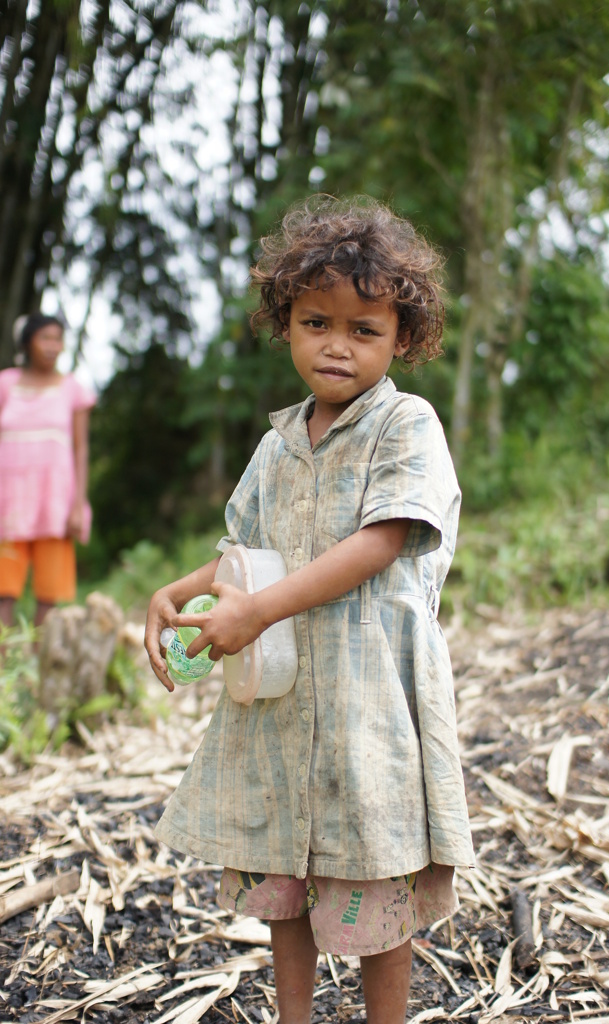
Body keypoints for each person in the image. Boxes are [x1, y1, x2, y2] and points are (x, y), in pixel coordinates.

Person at [145, 196, 474, 1024]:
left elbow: (384, 539)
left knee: (372, 880)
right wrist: (181, 593)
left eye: (364, 329)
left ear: (403, 337)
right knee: (283, 877)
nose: (337, 345)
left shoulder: (405, 424)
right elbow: (245, 550)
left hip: (371, 701)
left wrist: (255, 613)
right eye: (316, 322)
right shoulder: (276, 442)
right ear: (284, 325)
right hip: (285, 698)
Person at [0, 314, 95, 627]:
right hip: (8, 503)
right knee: (3, 590)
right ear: (27, 343)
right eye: (45, 338)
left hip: (54, 503)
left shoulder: (72, 389)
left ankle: (41, 666)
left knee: (48, 593)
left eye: (58, 338)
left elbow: (81, 448)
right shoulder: (6, 384)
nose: (53, 346)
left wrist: (78, 504)